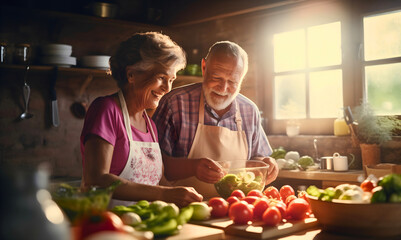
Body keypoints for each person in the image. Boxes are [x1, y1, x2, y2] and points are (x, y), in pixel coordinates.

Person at [80, 32, 203, 207]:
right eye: (161, 77)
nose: (167, 88)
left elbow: (158, 183)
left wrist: (184, 196)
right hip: (109, 224)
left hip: (145, 223)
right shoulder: (106, 109)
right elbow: (96, 179)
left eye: (172, 80)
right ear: (131, 75)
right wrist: (164, 194)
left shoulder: (150, 125)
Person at [152, 40, 279, 199]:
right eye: (217, 77)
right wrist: (193, 167)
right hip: (183, 208)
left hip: (235, 209)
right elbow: (154, 163)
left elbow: (257, 159)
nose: (223, 88)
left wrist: (267, 163)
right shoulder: (174, 103)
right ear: (204, 67)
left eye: (232, 81)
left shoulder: (249, 110)